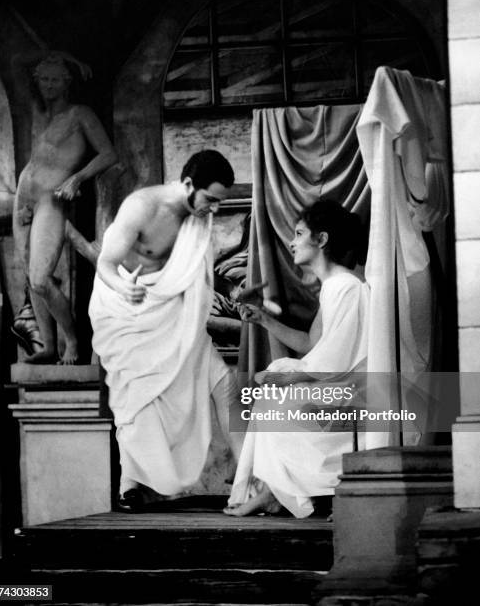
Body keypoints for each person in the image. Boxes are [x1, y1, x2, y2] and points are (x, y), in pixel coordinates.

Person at [89, 150, 243, 512]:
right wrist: (124, 287)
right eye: (210, 200)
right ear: (188, 185)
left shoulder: (197, 217)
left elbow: (194, 272)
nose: (214, 210)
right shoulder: (141, 206)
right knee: (137, 398)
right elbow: (106, 264)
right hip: (125, 311)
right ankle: (130, 486)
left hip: (171, 315)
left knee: (225, 384)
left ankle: (252, 477)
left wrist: (236, 296)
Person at [225, 200, 369, 518]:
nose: (292, 241)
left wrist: (288, 378)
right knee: (268, 395)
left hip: (351, 391)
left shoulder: (347, 287)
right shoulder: (333, 287)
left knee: (271, 396)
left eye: (300, 233)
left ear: (322, 239)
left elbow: (336, 361)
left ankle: (276, 492)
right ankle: (273, 490)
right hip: (333, 384)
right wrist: (263, 319)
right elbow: (312, 343)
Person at [12, 50, 117, 364]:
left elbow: (109, 154)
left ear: (67, 81)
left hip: (52, 200)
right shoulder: (41, 115)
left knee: (42, 279)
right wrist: (61, 58)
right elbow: (20, 62)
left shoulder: (80, 114)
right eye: (44, 79)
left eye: (55, 79)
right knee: (31, 280)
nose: (48, 85)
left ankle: (72, 341)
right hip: (24, 198)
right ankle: (48, 346)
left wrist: (77, 179)